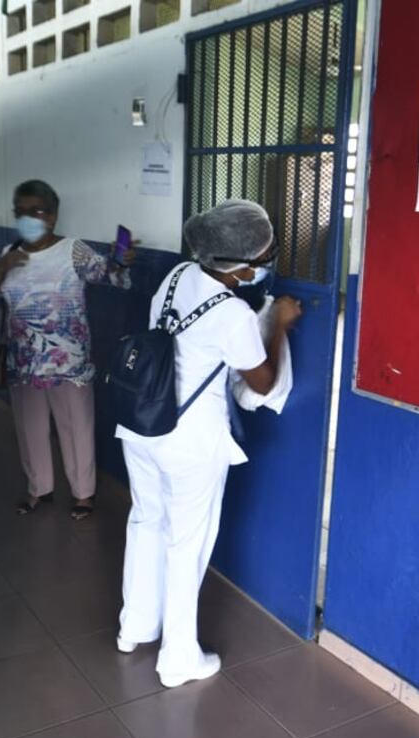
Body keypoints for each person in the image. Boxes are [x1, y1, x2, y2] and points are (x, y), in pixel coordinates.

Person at [115, 199, 302, 688]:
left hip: (141, 426)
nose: (267, 262)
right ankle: (178, 657)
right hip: (189, 443)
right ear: (241, 266)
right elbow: (262, 383)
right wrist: (279, 325)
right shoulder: (233, 314)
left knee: (146, 521)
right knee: (186, 544)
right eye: (264, 254)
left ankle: (135, 626)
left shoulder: (176, 276)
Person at [0, 180, 131, 520]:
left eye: (36, 211)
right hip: (24, 360)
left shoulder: (72, 250)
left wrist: (121, 261)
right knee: (29, 429)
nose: (28, 218)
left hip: (68, 362)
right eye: (21, 211)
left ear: (53, 215)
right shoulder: (8, 253)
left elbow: (113, 277)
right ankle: (38, 488)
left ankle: (83, 494)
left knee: (76, 427)